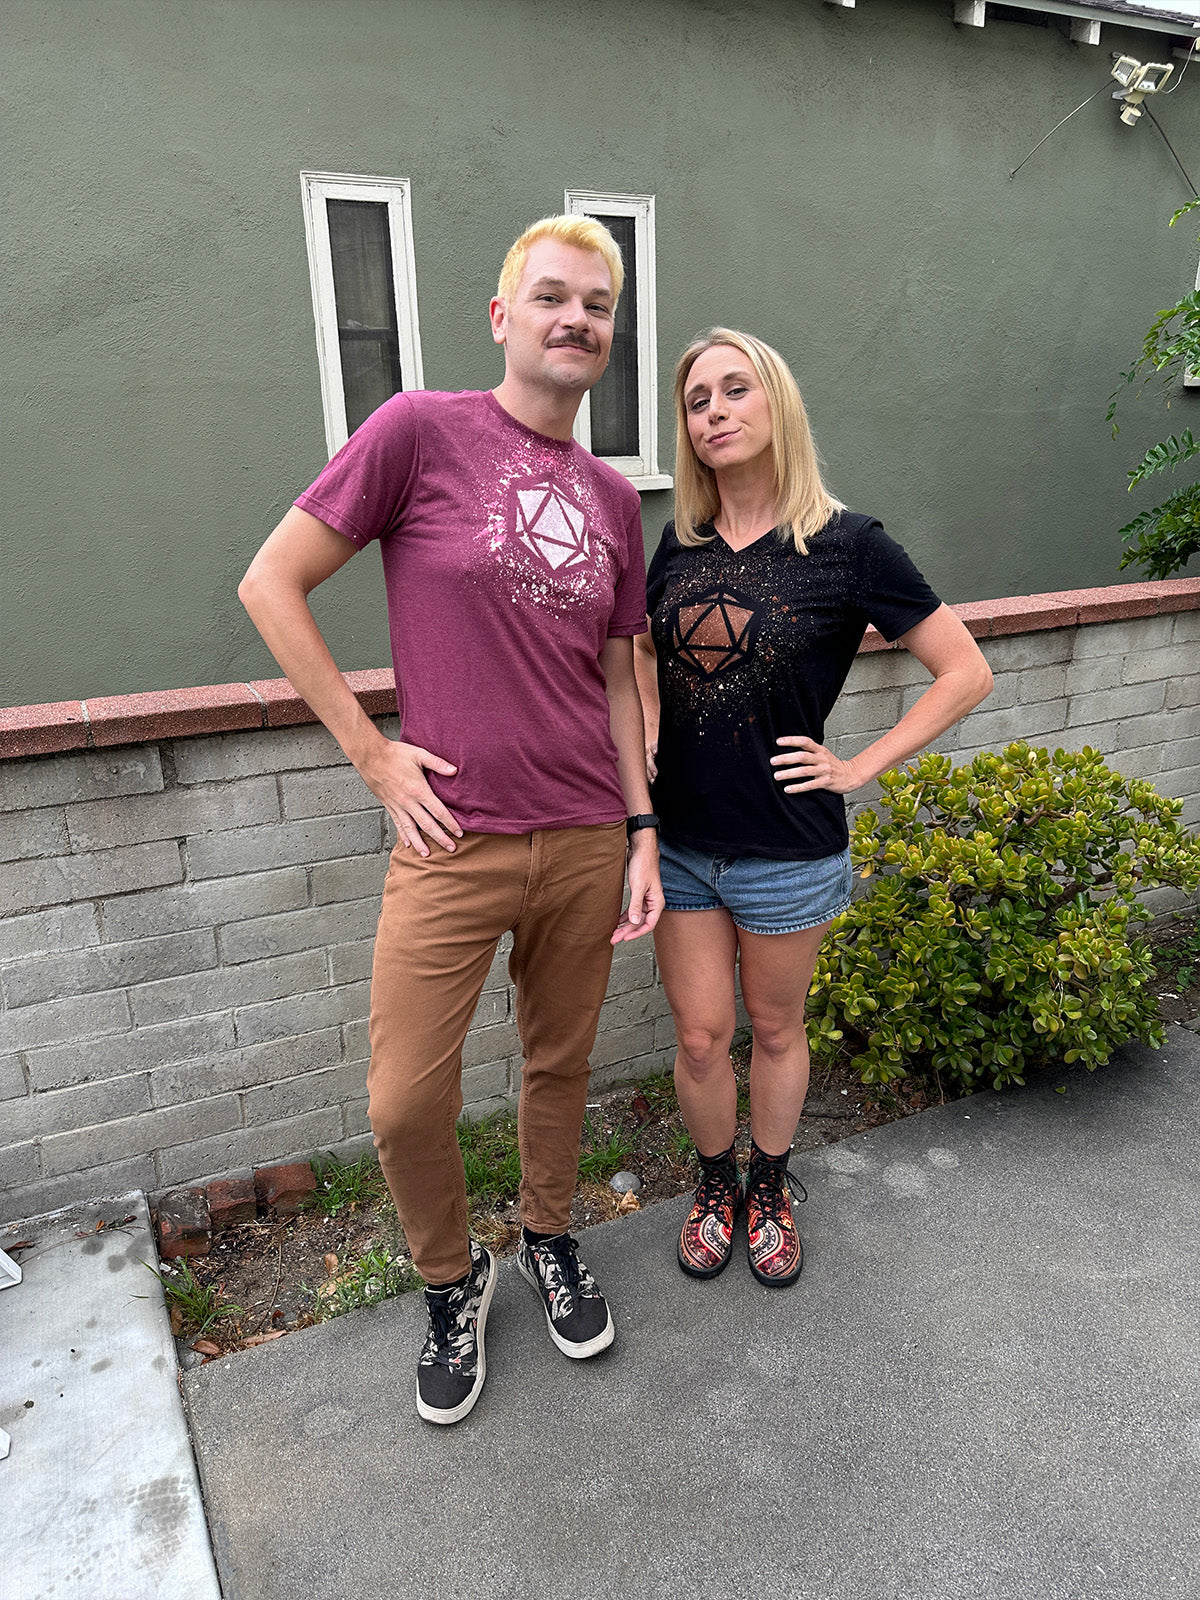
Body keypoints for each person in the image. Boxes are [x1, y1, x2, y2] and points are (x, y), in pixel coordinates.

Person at [239, 215, 663, 1425]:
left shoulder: (611, 499)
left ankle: (546, 1231)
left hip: (586, 832)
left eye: (596, 304)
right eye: (552, 297)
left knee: (559, 1061)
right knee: (404, 1100)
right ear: (502, 315)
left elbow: (620, 680)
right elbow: (272, 582)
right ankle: (450, 1273)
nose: (575, 318)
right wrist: (375, 759)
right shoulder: (420, 432)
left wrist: (642, 830)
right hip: (451, 839)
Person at [634, 328, 992, 1288]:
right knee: (703, 1035)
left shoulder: (847, 544)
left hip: (788, 845)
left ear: (775, 403)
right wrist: (658, 717)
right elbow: (641, 648)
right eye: (698, 400)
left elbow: (965, 672)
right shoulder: (681, 541)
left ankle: (772, 1183)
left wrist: (857, 765)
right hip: (680, 844)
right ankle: (717, 1186)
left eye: (734, 390)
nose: (714, 411)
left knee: (777, 1028)